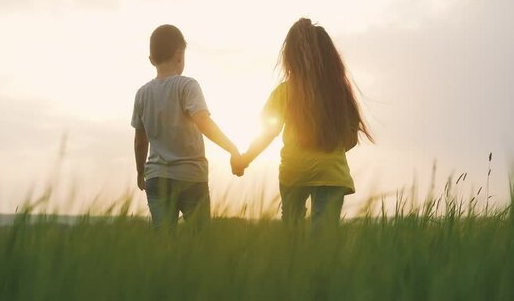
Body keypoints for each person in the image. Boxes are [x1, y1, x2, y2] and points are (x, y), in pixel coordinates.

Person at [232, 18, 373, 231]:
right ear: (330, 57)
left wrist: (245, 159)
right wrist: (329, 152)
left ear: (290, 58)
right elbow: (351, 137)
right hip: (331, 173)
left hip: (294, 170)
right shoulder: (338, 92)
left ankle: (295, 263)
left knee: (292, 234)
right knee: (323, 238)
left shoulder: (284, 92)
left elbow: (267, 133)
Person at [132, 24, 241, 230]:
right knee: (199, 245)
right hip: (190, 177)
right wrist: (232, 149)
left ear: (151, 59)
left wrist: (140, 172)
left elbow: (140, 141)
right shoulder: (187, 86)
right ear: (180, 55)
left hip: (156, 178)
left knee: (164, 244)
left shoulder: (142, 94)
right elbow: (204, 123)